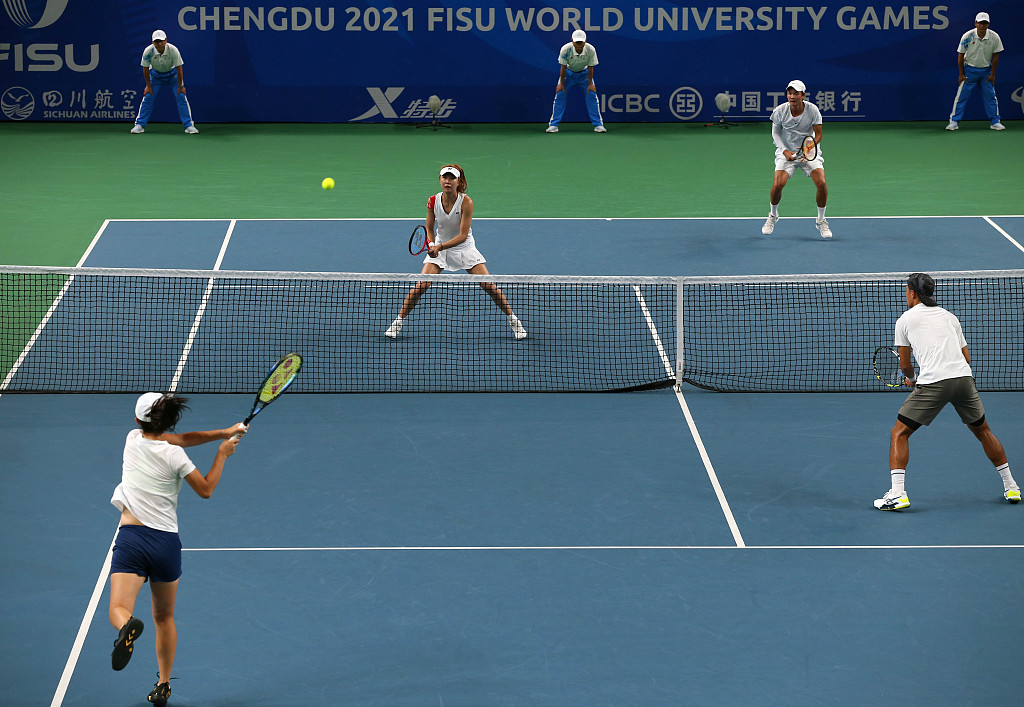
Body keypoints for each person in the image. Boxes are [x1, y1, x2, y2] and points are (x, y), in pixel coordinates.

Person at [108, 393, 245, 706]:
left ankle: (125, 627)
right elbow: (206, 489)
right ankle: (163, 684)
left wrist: (224, 432)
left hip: (132, 539)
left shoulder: (131, 440)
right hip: (165, 545)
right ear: (168, 420)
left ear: (137, 422)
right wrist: (223, 451)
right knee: (164, 618)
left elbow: (179, 438)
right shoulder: (177, 457)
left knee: (119, 607)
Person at [875, 273, 1019, 510]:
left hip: (934, 383)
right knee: (983, 431)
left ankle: (898, 494)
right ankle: (1011, 486)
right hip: (963, 379)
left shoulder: (905, 320)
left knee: (899, 433)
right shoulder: (950, 317)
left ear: (912, 292)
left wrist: (912, 379)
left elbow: (904, 365)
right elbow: (966, 357)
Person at [385, 164, 527, 340]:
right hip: (440, 246)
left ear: (458, 181)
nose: (447, 181)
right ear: (440, 180)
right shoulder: (432, 201)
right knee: (422, 285)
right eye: (445, 177)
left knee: (488, 285)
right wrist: (431, 244)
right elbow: (429, 227)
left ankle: (514, 321)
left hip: (464, 248)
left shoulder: (466, 202)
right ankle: (397, 322)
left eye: (452, 178)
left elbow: (462, 235)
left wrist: (440, 247)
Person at [761, 80, 831, 239]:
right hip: (787, 153)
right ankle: (773, 215)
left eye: (796, 93)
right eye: (789, 93)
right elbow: (776, 134)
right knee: (778, 184)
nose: (792, 96)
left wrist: (809, 147)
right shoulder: (780, 111)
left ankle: (821, 220)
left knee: (821, 183)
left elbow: (818, 134)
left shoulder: (813, 110)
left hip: (808, 152)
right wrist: (784, 150)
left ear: (803, 95)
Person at [130, 30, 199, 135]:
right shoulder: (148, 51)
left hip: (173, 76)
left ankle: (189, 125)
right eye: (156, 41)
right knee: (148, 97)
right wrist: (148, 86)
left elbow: (179, 69)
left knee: (181, 97)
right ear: (153, 42)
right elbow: (145, 69)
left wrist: (181, 86)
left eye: (161, 41)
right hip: (155, 76)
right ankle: (139, 125)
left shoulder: (173, 50)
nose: (159, 44)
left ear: (166, 40)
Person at [946, 12, 1005, 131]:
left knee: (991, 97)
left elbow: (996, 57)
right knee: (961, 97)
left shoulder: (994, 37)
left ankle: (995, 121)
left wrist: (993, 74)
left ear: (988, 24)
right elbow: (961, 56)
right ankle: (954, 122)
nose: (982, 26)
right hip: (969, 71)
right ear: (975, 23)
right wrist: (961, 74)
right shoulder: (967, 36)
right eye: (980, 23)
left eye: (985, 23)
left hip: (986, 72)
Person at [545, 29, 606, 133]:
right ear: (572, 40)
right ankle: (553, 125)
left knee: (592, 96)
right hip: (568, 74)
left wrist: (590, 83)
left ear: (585, 41)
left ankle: (598, 125)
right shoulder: (566, 49)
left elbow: (591, 67)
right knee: (560, 95)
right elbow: (563, 67)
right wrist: (562, 84)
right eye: (576, 42)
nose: (578, 44)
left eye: (581, 42)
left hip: (585, 75)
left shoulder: (590, 49)